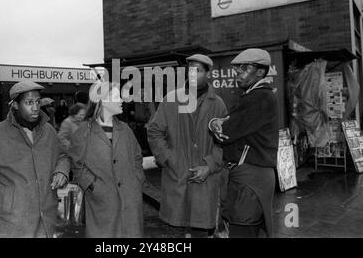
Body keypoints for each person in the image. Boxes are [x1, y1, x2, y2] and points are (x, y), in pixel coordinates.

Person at [0, 80, 70, 238]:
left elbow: (62, 156)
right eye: (29, 102)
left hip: (45, 222)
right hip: (8, 224)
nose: (35, 108)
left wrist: (62, 170)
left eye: (38, 102)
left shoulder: (49, 131)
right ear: (15, 105)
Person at [147, 54, 228, 237]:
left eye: (198, 71)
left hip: (205, 181)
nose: (192, 74)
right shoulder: (171, 99)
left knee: (201, 232)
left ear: (208, 73)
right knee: (175, 231)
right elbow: (154, 131)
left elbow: (223, 141)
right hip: (177, 178)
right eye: (190, 70)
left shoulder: (219, 104)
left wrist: (210, 166)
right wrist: (170, 159)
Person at [209, 48, 279, 238]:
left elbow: (224, 132)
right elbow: (228, 123)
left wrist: (216, 124)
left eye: (244, 68)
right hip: (252, 176)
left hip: (250, 178)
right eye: (237, 68)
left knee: (243, 230)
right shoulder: (255, 95)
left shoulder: (258, 97)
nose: (238, 72)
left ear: (260, 71)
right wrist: (217, 122)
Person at [69, 82, 145, 237]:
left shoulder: (125, 129)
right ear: (103, 100)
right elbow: (76, 164)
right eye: (117, 96)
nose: (122, 100)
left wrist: (138, 179)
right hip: (102, 202)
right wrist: (92, 185)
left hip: (131, 199)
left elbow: (137, 157)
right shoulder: (84, 132)